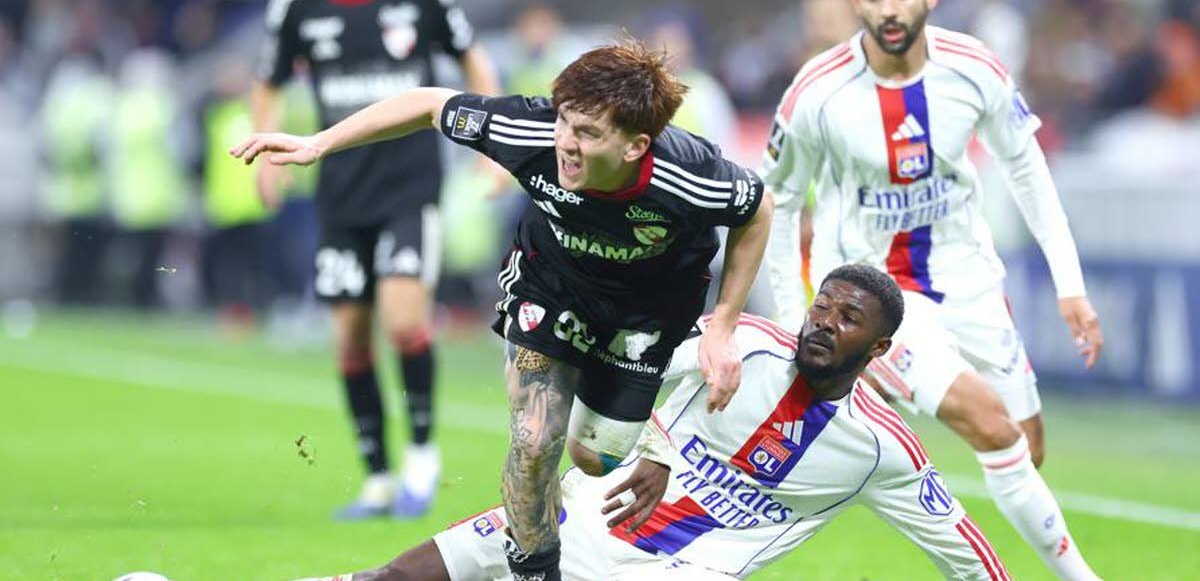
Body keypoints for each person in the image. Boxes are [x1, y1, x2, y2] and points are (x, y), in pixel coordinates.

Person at [231, 39, 772, 581]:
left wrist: (722, 325)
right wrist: (319, 143)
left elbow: (758, 210)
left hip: (645, 317)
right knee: (535, 442)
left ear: (636, 146)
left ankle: (625, 426)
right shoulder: (527, 130)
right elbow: (427, 103)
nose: (566, 144)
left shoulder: (692, 175)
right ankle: (535, 570)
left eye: (588, 134)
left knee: (594, 459)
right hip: (552, 291)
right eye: (564, 121)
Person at [293, 265, 1012, 581]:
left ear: (879, 349)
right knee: (395, 577)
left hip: (682, 572)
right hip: (573, 522)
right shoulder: (743, 343)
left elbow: (965, 555)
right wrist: (656, 442)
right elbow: (624, 365)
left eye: (848, 318)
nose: (824, 322)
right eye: (821, 305)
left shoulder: (882, 450)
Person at [760, 0, 1103, 579]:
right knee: (993, 428)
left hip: (968, 280)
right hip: (876, 297)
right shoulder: (817, 91)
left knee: (1026, 446)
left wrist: (1070, 286)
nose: (889, 8)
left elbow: (1026, 167)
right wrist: (791, 317)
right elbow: (776, 203)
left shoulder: (973, 68)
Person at [251, 0, 501, 519]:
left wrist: (489, 145)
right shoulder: (296, 0)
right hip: (340, 193)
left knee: (405, 321)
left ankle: (421, 455)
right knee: (350, 339)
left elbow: (473, 60)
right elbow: (267, 83)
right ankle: (378, 479)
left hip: (410, 188)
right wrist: (265, 151)